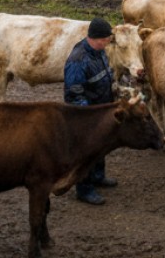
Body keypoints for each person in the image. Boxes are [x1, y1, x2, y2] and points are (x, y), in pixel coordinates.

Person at [64, 17, 118, 204]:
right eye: (106, 38)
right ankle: (84, 190)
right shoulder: (78, 60)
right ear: (97, 38)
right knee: (86, 152)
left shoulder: (100, 52)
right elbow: (74, 92)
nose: (109, 41)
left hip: (101, 109)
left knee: (101, 146)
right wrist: (87, 118)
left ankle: (98, 177)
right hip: (87, 115)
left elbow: (106, 75)